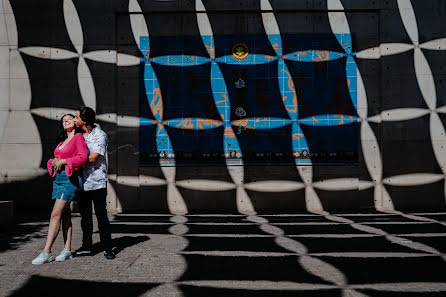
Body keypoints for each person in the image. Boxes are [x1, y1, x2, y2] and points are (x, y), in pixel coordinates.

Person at [32, 114, 87, 265]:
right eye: (63, 120)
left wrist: (64, 160)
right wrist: (54, 160)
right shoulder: (62, 141)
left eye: (69, 119)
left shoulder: (78, 138)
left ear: (75, 122)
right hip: (58, 179)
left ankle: (46, 252)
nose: (65, 121)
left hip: (70, 179)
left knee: (55, 214)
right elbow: (56, 157)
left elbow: (83, 157)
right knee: (65, 215)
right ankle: (67, 250)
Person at [73, 106, 115, 259]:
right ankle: (87, 246)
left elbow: (93, 157)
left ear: (84, 120)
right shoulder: (78, 135)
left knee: (101, 216)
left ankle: (108, 248)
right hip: (82, 183)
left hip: (97, 182)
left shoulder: (100, 135)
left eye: (77, 117)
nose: (74, 119)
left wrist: (73, 162)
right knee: (85, 217)